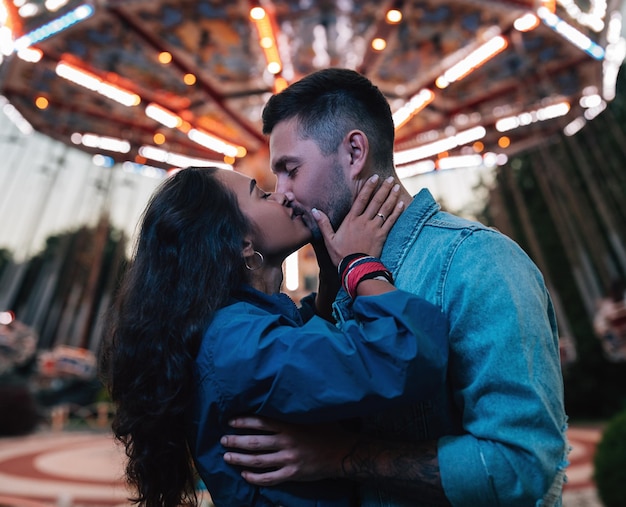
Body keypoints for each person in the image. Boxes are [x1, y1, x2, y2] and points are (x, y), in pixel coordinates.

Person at [219, 68, 569, 507]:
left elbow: (521, 466)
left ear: (354, 152)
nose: (283, 193)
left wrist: (341, 458)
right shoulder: (336, 282)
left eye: (290, 170)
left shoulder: (478, 262)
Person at [99, 166, 450, 507]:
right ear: (242, 243)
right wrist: (359, 263)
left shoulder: (243, 327)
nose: (283, 195)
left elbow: (315, 351)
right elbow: (408, 353)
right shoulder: (238, 343)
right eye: (263, 194)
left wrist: (331, 276)